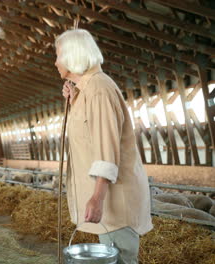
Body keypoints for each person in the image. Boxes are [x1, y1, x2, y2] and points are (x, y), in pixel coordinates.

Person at [54, 29, 153, 264]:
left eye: (57, 55)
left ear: (71, 57)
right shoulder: (89, 90)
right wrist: (75, 97)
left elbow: (106, 150)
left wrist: (96, 197)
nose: (55, 61)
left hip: (115, 203)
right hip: (110, 205)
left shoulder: (99, 91)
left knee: (121, 260)